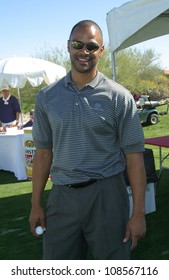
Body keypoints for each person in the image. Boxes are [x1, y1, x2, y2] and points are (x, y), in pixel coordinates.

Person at [29, 20, 146, 260]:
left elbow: (134, 159)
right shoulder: (47, 97)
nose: (84, 52)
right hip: (62, 196)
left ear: (101, 50)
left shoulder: (119, 97)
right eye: (77, 44)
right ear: (68, 46)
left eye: (91, 46)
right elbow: (42, 154)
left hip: (107, 195)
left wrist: (138, 213)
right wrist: (36, 204)